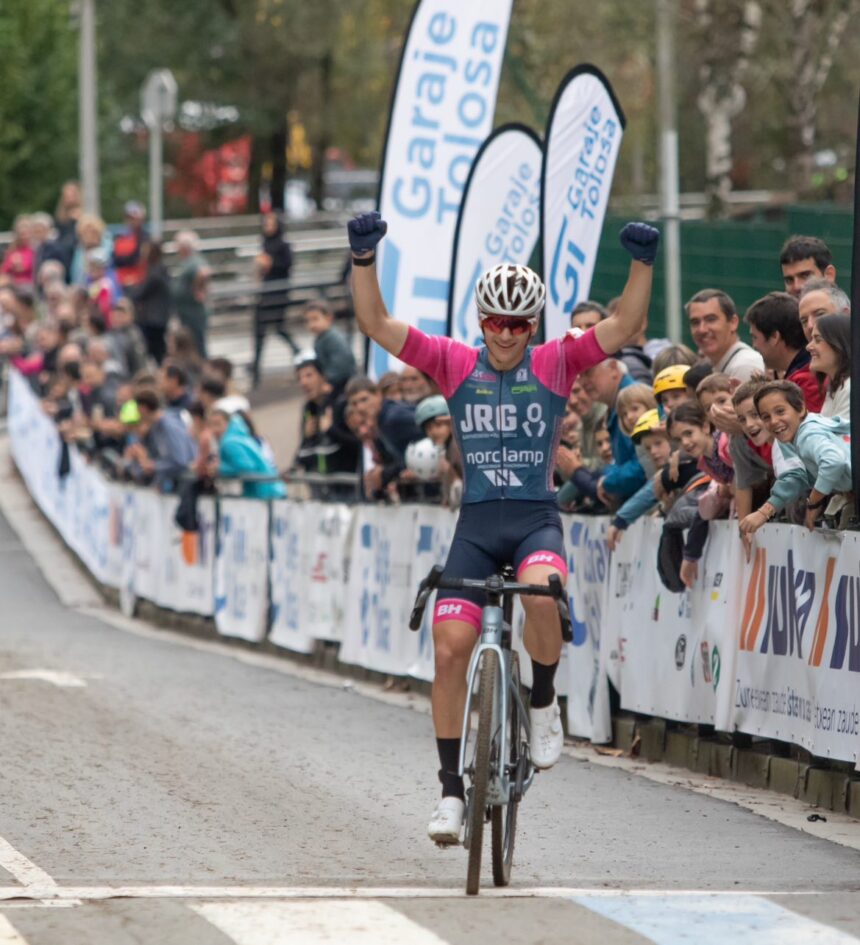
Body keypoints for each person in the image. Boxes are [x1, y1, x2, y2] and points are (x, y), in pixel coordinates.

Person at [347, 209, 658, 842]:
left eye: (518, 323)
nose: (506, 333)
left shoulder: (555, 361)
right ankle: (450, 794)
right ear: (480, 320)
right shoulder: (455, 362)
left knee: (543, 593)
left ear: (534, 324)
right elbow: (376, 323)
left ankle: (543, 699)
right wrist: (363, 260)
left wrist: (641, 264)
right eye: (495, 321)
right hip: (477, 527)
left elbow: (625, 324)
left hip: (534, 520)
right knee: (448, 652)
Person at [739, 380, 852, 534]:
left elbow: (834, 462)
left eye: (780, 411)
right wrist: (764, 512)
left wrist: (814, 502)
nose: (774, 421)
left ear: (800, 408)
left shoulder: (807, 434)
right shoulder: (793, 437)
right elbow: (797, 476)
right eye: (766, 417)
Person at [579, 358, 647, 505]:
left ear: (613, 368)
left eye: (588, 372)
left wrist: (607, 482)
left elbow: (644, 466)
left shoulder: (637, 401)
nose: (583, 382)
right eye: (580, 376)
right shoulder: (615, 407)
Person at [744, 291, 824, 412]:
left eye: (755, 337)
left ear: (774, 337)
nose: (754, 345)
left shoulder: (805, 382)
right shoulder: (801, 374)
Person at [251, 212, 299, 388]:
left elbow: (286, 266)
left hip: (277, 294)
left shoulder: (283, 245)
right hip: (265, 293)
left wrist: (269, 264)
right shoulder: (265, 244)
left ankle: (300, 354)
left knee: (279, 328)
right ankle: (255, 370)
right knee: (260, 331)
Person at [123, 389, 196, 493]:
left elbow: (181, 461)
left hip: (184, 486)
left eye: (137, 409)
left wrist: (154, 466)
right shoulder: (156, 427)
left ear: (143, 408)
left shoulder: (169, 426)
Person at [686, 288, 764, 382]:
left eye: (711, 319)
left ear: (733, 322)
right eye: (695, 322)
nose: (702, 329)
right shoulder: (718, 364)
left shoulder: (744, 366)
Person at [207, 409, 286, 499]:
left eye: (218, 424)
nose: (214, 429)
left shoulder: (229, 442)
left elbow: (246, 467)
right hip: (272, 489)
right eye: (211, 425)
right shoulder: (239, 435)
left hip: (264, 494)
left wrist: (220, 468)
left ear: (228, 423)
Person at [570, 299, 652, 382]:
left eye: (590, 326)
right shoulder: (567, 371)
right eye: (577, 328)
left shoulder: (631, 367)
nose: (583, 332)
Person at [128, 241, 171, 364]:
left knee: (156, 350)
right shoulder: (159, 269)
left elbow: (140, 293)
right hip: (157, 317)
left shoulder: (155, 273)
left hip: (153, 319)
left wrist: (129, 288)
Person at [304, 300, 357, 396]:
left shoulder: (332, 338)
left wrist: (330, 382)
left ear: (329, 318)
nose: (311, 325)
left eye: (315, 319)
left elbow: (341, 362)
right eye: (308, 321)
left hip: (344, 383)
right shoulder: (320, 340)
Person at [172, 230, 211, 357]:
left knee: (198, 346)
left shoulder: (194, 261)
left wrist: (198, 289)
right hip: (185, 313)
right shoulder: (186, 262)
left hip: (194, 313)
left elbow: (204, 272)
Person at [808, 314, 850, 419]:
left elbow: (840, 435)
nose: (808, 347)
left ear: (840, 342)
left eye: (817, 340)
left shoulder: (850, 388)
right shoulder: (836, 385)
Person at [112, 201, 149, 291]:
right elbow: (115, 259)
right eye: (129, 217)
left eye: (134, 218)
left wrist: (123, 259)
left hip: (137, 281)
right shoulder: (119, 236)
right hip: (119, 281)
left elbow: (137, 259)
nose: (131, 221)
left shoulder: (145, 238)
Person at [1, 215, 34, 286]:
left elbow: (28, 268)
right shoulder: (12, 250)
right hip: (10, 283)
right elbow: (4, 270)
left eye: (25, 231)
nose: (23, 235)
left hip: (27, 284)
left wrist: (19, 265)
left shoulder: (35, 249)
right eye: (21, 233)